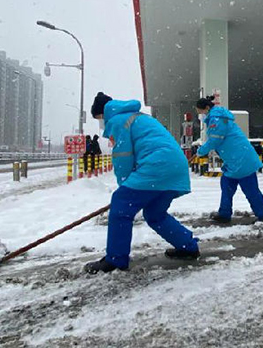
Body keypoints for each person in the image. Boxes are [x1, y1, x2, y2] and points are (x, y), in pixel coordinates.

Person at [84, 92, 200, 274]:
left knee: (121, 207)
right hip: (174, 166)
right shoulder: (137, 117)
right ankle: (188, 246)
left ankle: (115, 259)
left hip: (157, 165)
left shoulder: (117, 121)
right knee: (155, 214)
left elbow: (123, 157)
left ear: (103, 113)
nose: (101, 123)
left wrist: (125, 186)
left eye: (99, 119)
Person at [195, 96, 263, 224]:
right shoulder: (218, 117)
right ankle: (225, 213)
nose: (201, 115)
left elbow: (215, 140)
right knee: (227, 185)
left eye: (201, 112)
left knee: (250, 190)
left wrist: (200, 151)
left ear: (207, 108)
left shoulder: (217, 119)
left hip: (241, 160)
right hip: (235, 160)